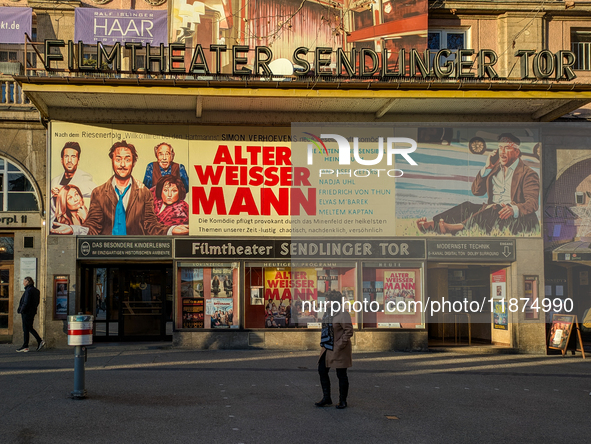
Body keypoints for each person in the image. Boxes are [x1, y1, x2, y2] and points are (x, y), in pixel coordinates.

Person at [51, 141, 189, 236]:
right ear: (112, 161)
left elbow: (150, 225)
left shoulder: (144, 193)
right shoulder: (98, 193)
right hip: (108, 258)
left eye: (127, 159)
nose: (122, 164)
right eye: (118, 159)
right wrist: (72, 229)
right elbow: (93, 226)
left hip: (136, 256)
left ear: (133, 163)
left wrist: (172, 230)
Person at [416, 133, 540, 235]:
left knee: (494, 208)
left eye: (506, 148)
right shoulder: (495, 169)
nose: (502, 152)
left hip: (512, 216)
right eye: (500, 148)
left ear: (517, 152)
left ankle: (457, 228)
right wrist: (487, 168)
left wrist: (513, 209)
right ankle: (433, 224)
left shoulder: (528, 174)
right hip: (491, 211)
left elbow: (532, 203)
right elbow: (476, 191)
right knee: (467, 206)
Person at [316, 291, 353, 409]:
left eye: (328, 300)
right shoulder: (328, 313)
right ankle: (327, 398)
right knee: (322, 370)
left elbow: (349, 331)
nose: (326, 302)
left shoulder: (343, 314)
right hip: (327, 346)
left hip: (339, 348)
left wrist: (339, 344)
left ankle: (343, 401)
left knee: (341, 374)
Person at [50, 142, 96, 224]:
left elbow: (94, 191)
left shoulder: (85, 177)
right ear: (61, 160)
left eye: (73, 157)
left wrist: (62, 191)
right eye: (66, 156)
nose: (69, 160)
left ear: (78, 160)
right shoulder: (54, 181)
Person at [16, 277, 44, 352]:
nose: (23, 283)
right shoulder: (36, 290)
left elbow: (26, 302)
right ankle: (29, 344)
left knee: (26, 328)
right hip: (32, 311)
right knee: (28, 328)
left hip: (26, 312)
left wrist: (21, 310)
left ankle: (27, 345)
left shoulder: (28, 290)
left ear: (28, 282)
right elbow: (37, 302)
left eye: (24, 281)